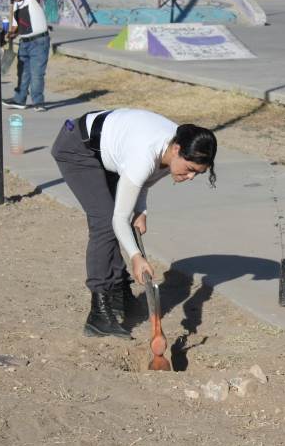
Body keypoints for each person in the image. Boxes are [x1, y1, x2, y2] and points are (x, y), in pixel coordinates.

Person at [51, 108, 217, 338]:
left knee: (116, 219)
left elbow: (143, 181)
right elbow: (120, 216)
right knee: (106, 223)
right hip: (78, 148)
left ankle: (120, 293)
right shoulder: (146, 153)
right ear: (177, 149)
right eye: (189, 169)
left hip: (106, 153)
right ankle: (98, 312)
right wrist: (136, 256)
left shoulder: (173, 148)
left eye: (197, 174)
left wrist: (141, 210)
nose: (190, 177)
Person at [2, 0, 50, 112]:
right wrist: (10, 33)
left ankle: (38, 102)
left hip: (39, 42)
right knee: (22, 73)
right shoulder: (16, 5)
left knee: (37, 74)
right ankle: (19, 99)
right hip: (24, 43)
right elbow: (16, 28)